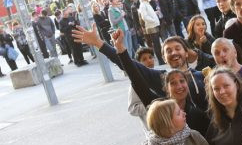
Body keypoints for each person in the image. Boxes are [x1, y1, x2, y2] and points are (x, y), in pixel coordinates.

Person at [72, 25, 207, 110]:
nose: (174, 53)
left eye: (178, 48)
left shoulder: (202, 75)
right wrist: (99, 43)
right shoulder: (162, 78)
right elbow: (130, 67)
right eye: (168, 51)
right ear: (164, 58)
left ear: (186, 52)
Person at [139, 0, 165, 65]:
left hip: (154, 25)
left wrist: (154, 13)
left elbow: (149, 14)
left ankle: (161, 59)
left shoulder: (147, 3)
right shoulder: (143, 5)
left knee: (157, 43)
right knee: (156, 44)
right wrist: (153, 20)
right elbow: (144, 17)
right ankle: (160, 60)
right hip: (151, 26)